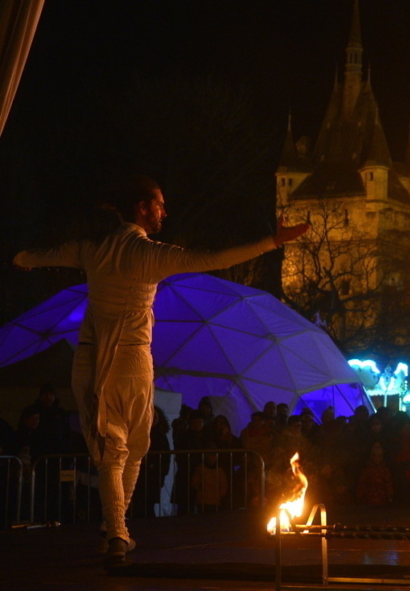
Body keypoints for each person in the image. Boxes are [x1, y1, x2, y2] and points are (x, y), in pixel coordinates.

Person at [12, 174, 308, 564]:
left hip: (89, 357)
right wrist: (272, 242)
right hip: (130, 359)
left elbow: (44, 255)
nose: (164, 212)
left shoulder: (92, 249)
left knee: (112, 449)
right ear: (141, 209)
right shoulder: (149, 254)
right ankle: (117, 531)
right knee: (130, 449)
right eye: (159, 205)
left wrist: (23, 259)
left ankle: (113, 528)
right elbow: (212, 259)